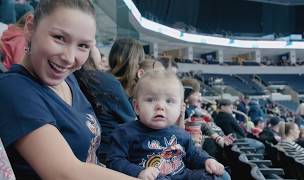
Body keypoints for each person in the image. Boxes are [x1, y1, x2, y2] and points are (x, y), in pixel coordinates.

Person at [0, 0, 137, 179]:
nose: (69, 58)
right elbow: (65, 173)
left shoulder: (68, 79)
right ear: (30, 27)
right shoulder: (14, 89)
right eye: (59, 38)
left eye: (83, 45)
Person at [106, 69, 230, 180]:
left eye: (169, 101)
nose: (160, 106)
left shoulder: (181, 134)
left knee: (220, 176)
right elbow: (114, 161)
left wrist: (207, 160)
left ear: (180, 109)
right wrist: (139, 172)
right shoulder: (125, 132)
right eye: (150, 100)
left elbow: (193, 155)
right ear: (137, 107)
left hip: (182, 175)